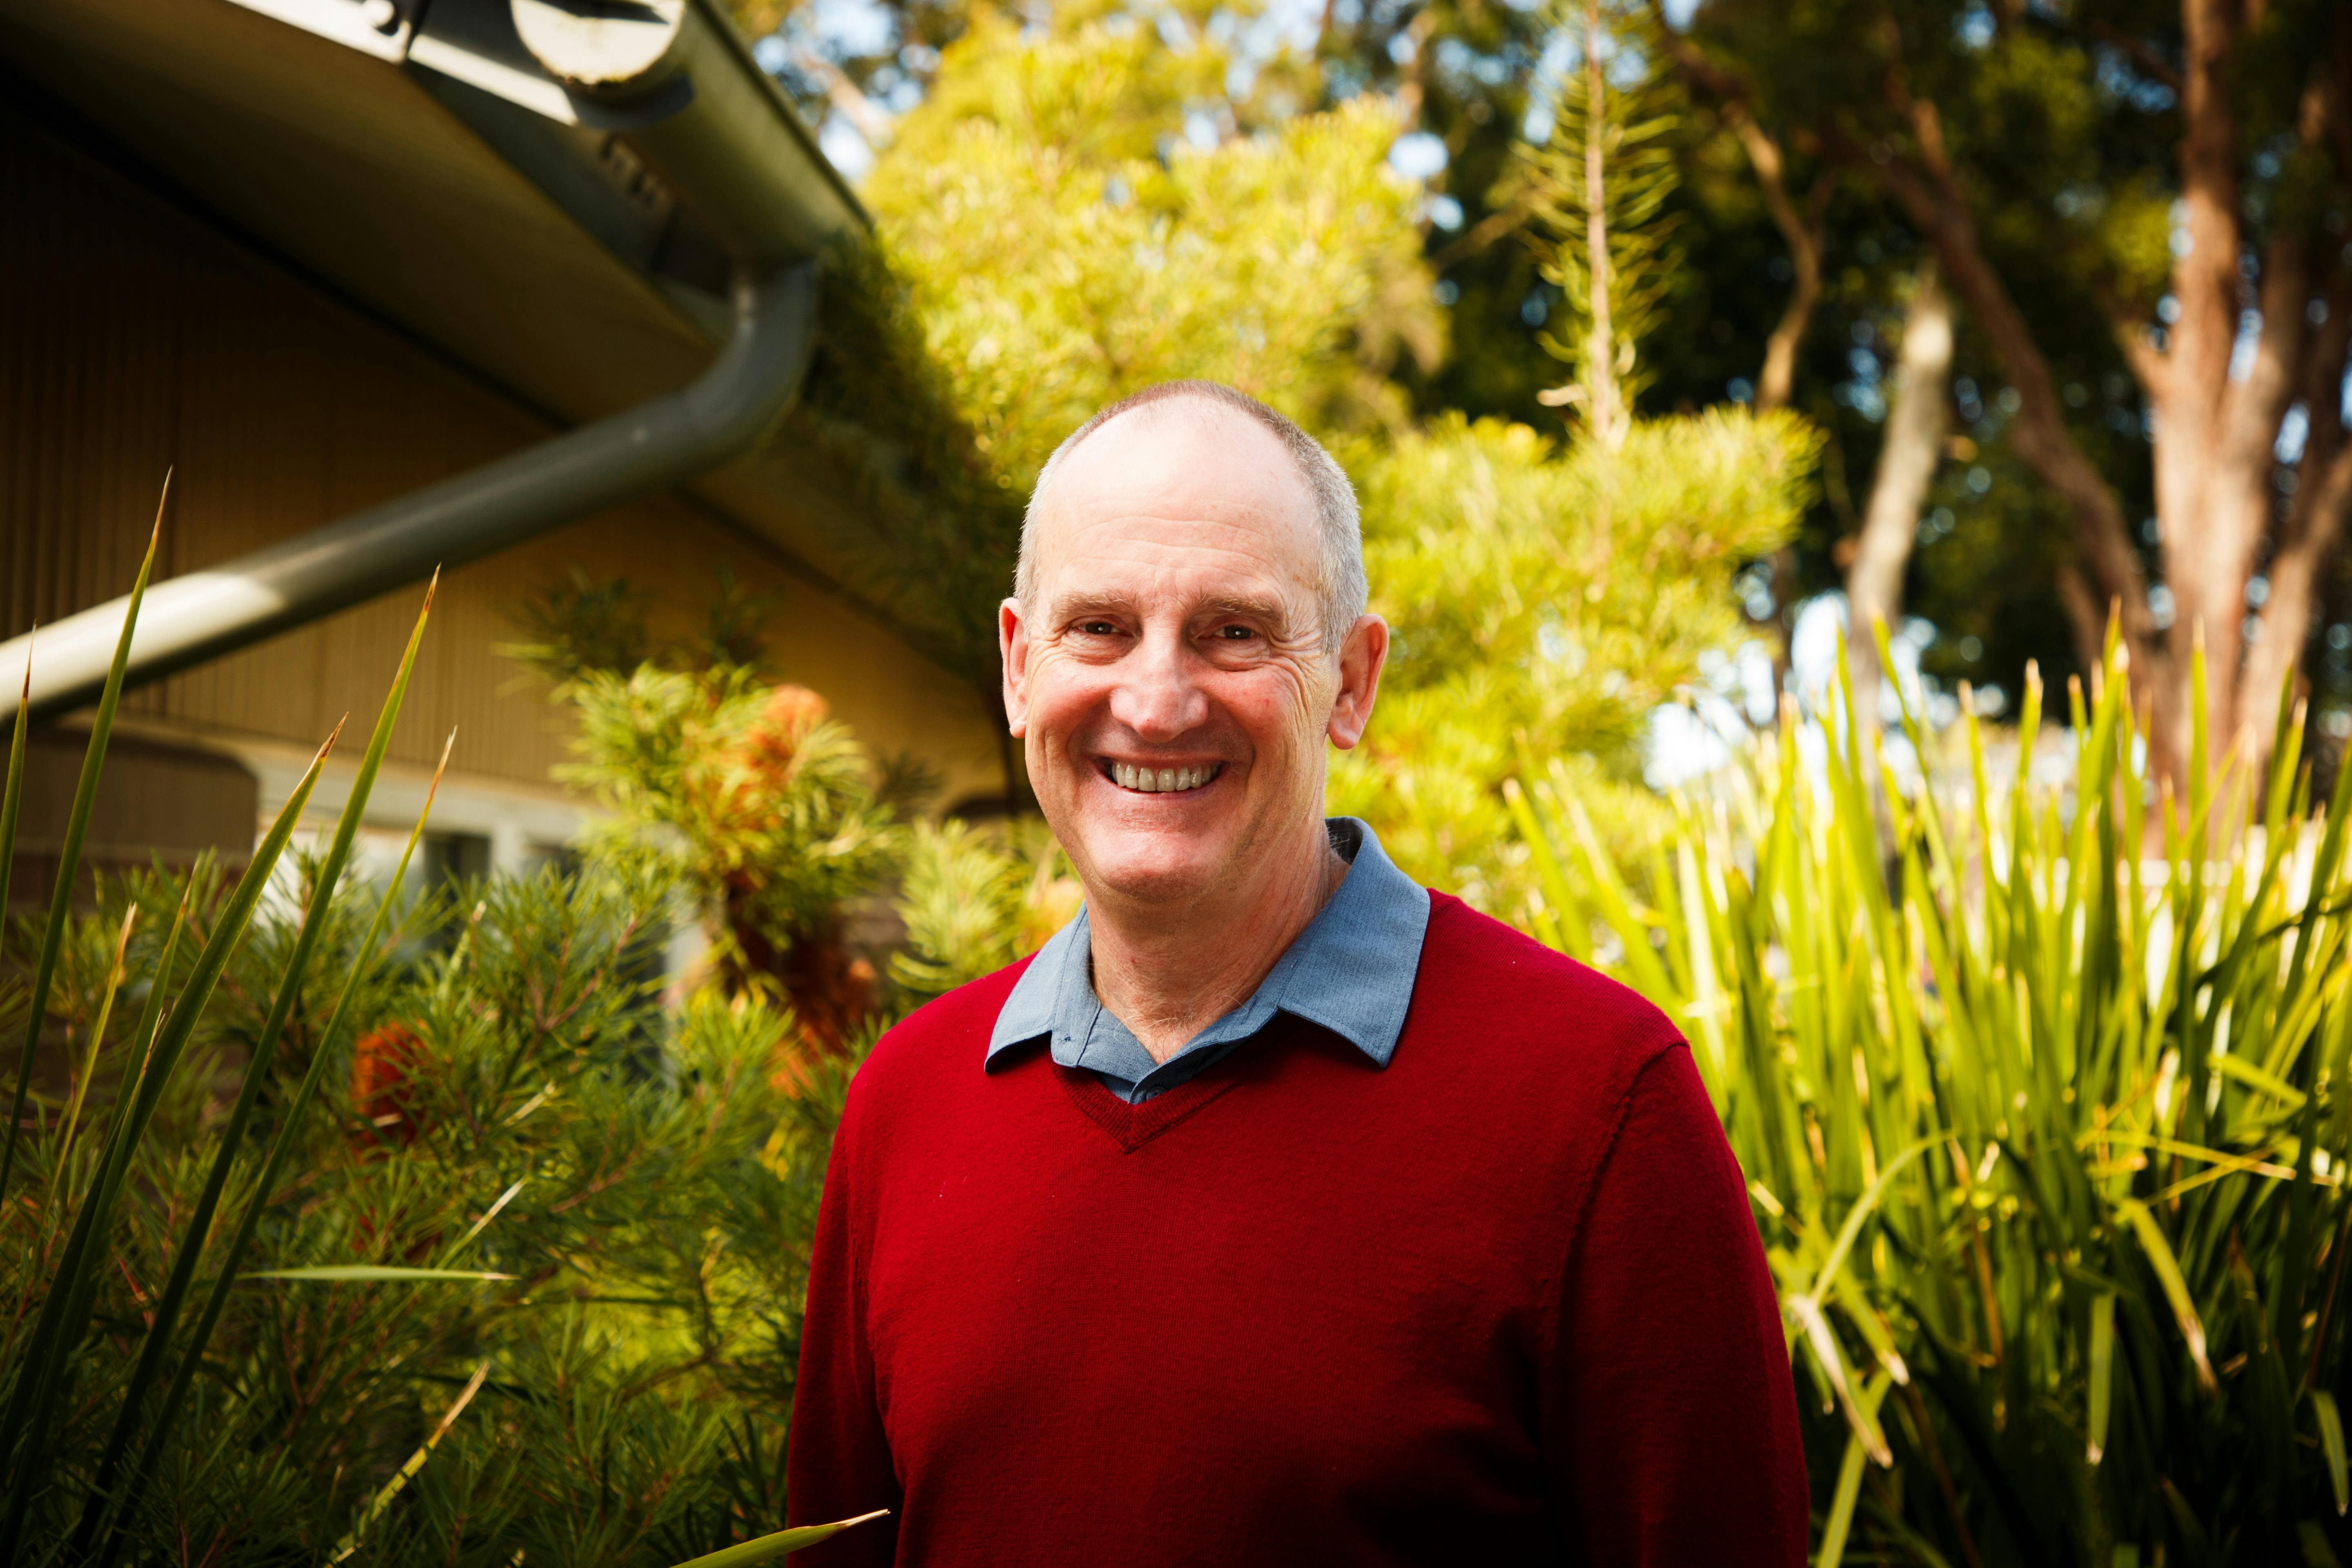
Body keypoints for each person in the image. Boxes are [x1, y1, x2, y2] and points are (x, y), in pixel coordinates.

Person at [786, 381, 1807, 1566]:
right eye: (1099, 628)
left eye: (1236, 631)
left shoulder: (1598, 1108)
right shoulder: (909, 1102)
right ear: (1020, 669)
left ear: (1354, 682)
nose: (1157, 701)